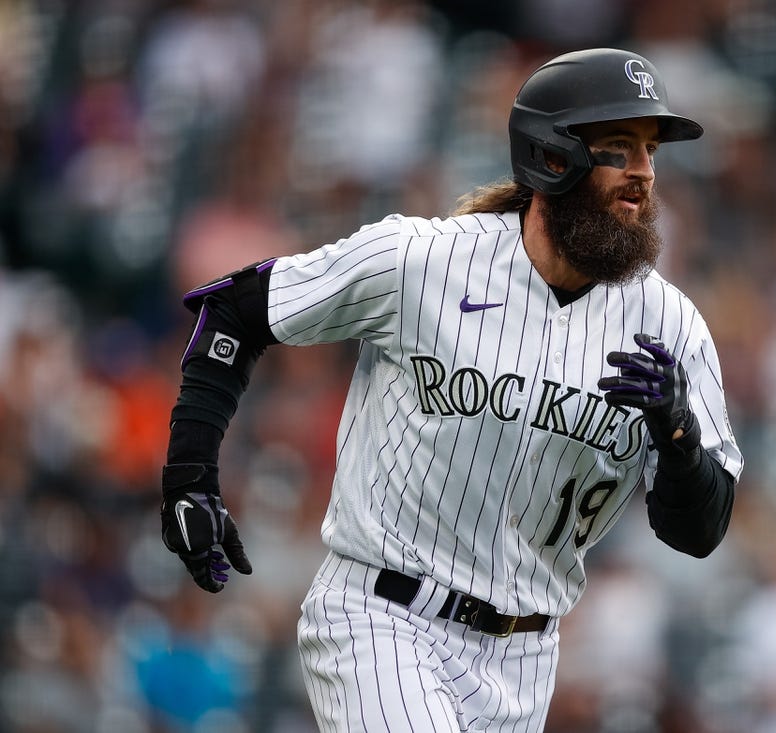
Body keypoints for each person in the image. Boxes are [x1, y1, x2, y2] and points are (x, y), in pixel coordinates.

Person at [159, 47, 743, 733]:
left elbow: (699, 529)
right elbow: (234, 309)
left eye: (649, 151)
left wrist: (676, 436)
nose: (644, 172)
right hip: (382, 618)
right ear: (551, 157)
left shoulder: (671, 326)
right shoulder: (422, 259)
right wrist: (189, 475)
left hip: (526, 656)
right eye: (619, 147)